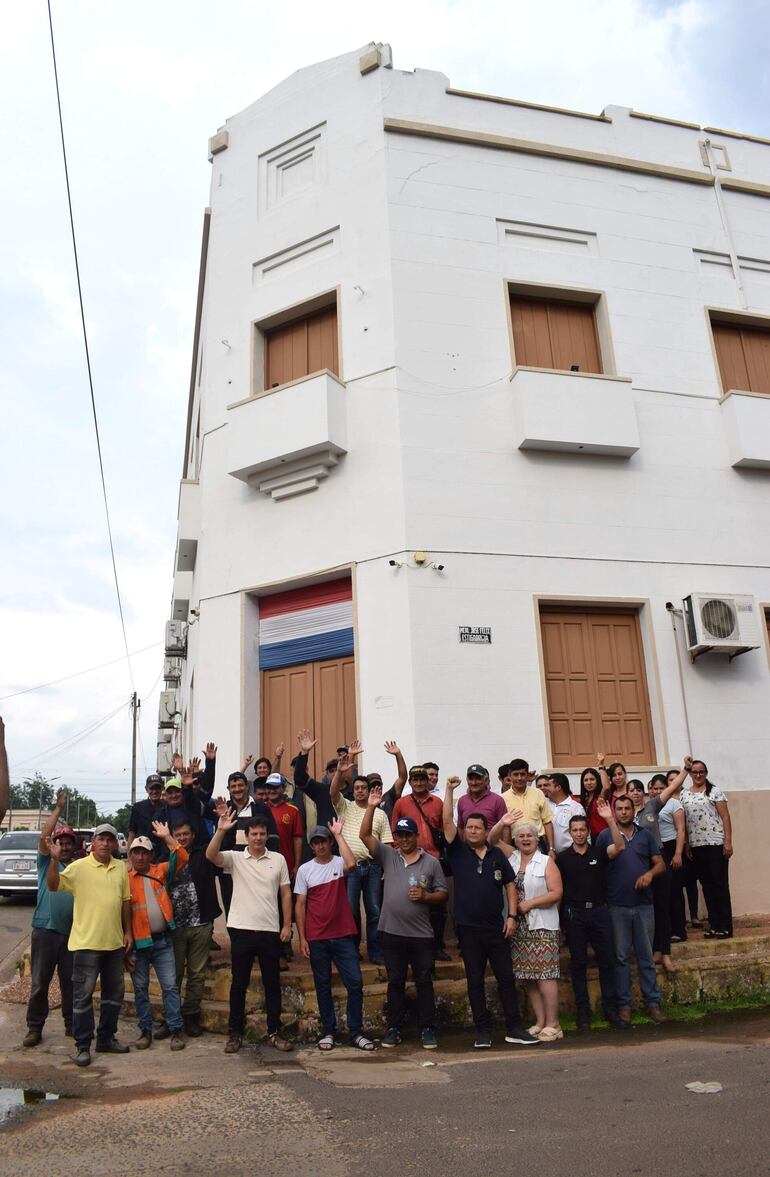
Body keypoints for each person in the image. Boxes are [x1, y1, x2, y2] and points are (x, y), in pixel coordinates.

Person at [442, 778, 539, 1048]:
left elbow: (509, 884)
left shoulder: (497, 854)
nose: (472, 831)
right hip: (468, 930)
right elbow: (447, 823)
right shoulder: (458, 852)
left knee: (506, 979)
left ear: (486, 831)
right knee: (475, 981)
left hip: (497, 928)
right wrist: (449, 791)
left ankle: (514, 1028)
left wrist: (511, 917)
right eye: (469, 827)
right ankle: (482, 1032)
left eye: (477, 827)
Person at [360, 785, 447, 1049]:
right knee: (395, 982)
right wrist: (373, 806)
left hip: (421, 935)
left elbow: (442, 893)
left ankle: (428, 1028)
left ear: (417, 835)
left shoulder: (432, 863)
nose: (405, 839)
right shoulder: (389, 856)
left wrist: (426, 897)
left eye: (409, 834)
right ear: (396, 837)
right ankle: (394, 1028)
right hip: (392, 932)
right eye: (401, 835)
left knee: (424, 982)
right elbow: (364, 835)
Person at [206, 809, 293, 1052]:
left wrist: (286, 925)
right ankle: (235, 1034)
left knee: (272, 984)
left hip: (269, 930)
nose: (258, 838)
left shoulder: (278, 860)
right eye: (254, 834)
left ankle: (274, 1032)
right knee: (238, 984)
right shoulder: (235, 858)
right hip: (241, 929)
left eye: (262, 834)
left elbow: (286, 893)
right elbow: (210, 855)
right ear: (247, 836)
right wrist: (221, 830)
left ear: (267, 836)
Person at [46, 823, 132, 1068]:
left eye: (110, 840)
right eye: (101, 839)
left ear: (115, 844)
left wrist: (128, 931)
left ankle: (106, 1038)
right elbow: (53, 885)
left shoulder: (120, 869)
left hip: (114, 943)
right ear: (92, 843)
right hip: (86, 944)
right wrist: (53, 861)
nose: (105, 844)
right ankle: (83, 1045)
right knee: (82, 997)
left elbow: (125, 901)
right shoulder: (79, 867)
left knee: (113, 995)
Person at [294, 821, 374, 1051]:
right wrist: (303, 938)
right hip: (317, 936)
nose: (320, 846)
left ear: (330, 843)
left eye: (324, 841)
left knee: (355, 983)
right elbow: (300, 905)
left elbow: (352, 863)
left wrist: (338, 834)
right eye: (316, 842)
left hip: (343, 934)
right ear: (311, 846)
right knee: (323, 985)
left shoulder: (339, 862)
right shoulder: (305, 870)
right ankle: (328, 1030)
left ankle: (356, 1032)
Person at [490, 817, 564, 1041]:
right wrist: (503, 822)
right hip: (518, 928)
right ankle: (540, 1021)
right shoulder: (511, 858)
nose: (525, 839)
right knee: (528, 977)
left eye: (529, 835)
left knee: (546, 976)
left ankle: (554, 1024)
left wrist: (529, 904)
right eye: (521, 835)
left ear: (537, 839)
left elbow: (556, 893)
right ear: (515, 839)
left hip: (542, 926)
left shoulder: (546, 862)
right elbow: (491, 840)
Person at [555, 802, 625, 1030]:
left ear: (588, 832)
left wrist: (609, 820)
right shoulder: (563, 858)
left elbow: (620, 847)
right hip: (574, 915)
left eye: (582, 830)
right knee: (579, 964)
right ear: (570, 833)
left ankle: (610, 1009)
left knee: (607, 960)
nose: (578, 833)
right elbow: (558, 891)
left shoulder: (599, 852)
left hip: (598, 912)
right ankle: (583, 1012)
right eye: (574, 830)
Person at [596, 794, 665, 1025]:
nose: (624, 811)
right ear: (615, 811)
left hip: (644, 905)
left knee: (646, 957)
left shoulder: (645, 835)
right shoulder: (605, 836)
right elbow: (602, 863)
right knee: (621, 957)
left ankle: (653, 1003)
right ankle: (624, 1006)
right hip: (617, 906)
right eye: (620, 808)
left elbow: (661, 864)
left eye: (628, 808)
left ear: (634, 810)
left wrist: (649, 874)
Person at [127, 824, 187, 1051]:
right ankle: (145, 1030)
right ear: (130, 855)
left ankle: (175, 1030)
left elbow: (181, 857)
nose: (140, 856)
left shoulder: (160, 871)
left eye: (144, 852)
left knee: (170, 987)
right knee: (140, 989)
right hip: (139, 944)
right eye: (136, 852)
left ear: (151, 855)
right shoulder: (125, 880)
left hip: (163, 941)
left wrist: (167, 837)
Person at [330, 751, 394, 964]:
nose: (359, 791)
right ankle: (352, 950)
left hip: (374, 868)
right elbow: (332, 793)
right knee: (351, 911)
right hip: (351, 868)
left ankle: (376, 952)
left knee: (375, 910)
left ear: (369, 791)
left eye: (363, 788)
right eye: (356, 788)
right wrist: (340, 772)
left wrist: (387, 869)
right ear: (352, 790)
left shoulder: (380, 813)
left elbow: (386, 844)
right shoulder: (344, 806)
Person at [24, 788, 76, 1047]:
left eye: (68, 843)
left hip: (70, 935)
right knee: (39, 984)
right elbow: (44, 835)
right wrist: (58, 809)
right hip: (44, 931)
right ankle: (35, 1027)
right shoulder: (46, 863)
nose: (64, 846)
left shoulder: (78, 869)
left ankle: (71, 1025)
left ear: (74, 846)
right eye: (60, 842)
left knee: (70, 983)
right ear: (54, 845)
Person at [391, 764, 449, 960]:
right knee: (414, 903)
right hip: (409, 860)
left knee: (438, 906)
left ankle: (438, 946)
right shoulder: (401, 803)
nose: (418, 783)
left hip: (433, 858)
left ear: (428, 781)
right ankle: (414, 948)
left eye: (422, 779)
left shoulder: (438, 803)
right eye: (415, 779)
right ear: (410, 782)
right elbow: (394, 832)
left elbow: (444, 828)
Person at [169, 819, 221, 1036]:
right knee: (173, 976)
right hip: (175, 927)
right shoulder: (167, 857)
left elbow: (217, 846)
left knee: (197, 974)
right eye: (178, 834)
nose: (182, 838)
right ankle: (172, 1017)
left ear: (193, 834)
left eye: (185, 834)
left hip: (201, 924)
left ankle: (191, 1016)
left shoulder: (204, 854)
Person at [630, 774, 683, 973]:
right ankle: (655, 950)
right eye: (631, 790)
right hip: (638, 865)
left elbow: (672, 788)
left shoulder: (651, 806)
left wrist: (685, 769)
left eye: (638, 790)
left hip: (658, 862)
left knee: (662, 908)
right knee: (646, 911)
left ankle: (666, 953)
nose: (635, 793)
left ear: (643, 792)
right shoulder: (624, 814)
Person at [677, 757, 733, 938]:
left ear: (706, 773)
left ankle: (726, 926)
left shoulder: (714, 791)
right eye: (695, 772)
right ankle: (714, 925)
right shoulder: (684, 794)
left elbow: (725, 817)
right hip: (696, 845)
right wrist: (686, 845)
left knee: (719, 885)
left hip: (716, 844)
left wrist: (728, 841)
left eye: (701, 772)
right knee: (706, 887)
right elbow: (684, 821)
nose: (698, 775)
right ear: (691, 774)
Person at [217, 769, 279, 918]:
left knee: (258, 908)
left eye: (240, 785)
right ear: (228, 789)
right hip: (230, 870)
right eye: (233, 786)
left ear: (247, 786)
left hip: (257, 869)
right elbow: (220, 844)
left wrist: (270, 865)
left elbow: (273, 838)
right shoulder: (223, 811)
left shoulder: (261, 808)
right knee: (232, 910)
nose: (237, 789)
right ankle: (236, 940)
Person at [502, 759, 554, 851]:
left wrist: (551, 848)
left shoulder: (538, 793)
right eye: (516, 774)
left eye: (522, 774)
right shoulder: (502, 798)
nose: (519, 778)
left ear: (527, 775)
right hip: (514, 845)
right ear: (510, 776)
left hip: (538, 844)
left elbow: (547, 822)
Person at [456, 765, 507, 838]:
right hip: (467, 848)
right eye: (471, 779)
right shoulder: (462, 801)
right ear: (467, 780)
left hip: (491, 848)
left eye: (478, 779)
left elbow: (505, 828)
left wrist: (505, 848)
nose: (474, 783)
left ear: (486, 780)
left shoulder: (497, 800)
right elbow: (460, 827)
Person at [541, 773, 585, 854]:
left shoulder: (576, 807)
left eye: (548, 785)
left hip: (570, 856)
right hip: (547, 855)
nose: (545, 788)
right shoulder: (544, 804)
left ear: (558, 788)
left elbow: (584, 833)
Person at [128, 774, 165, 857]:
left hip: (162, 857)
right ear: (146, 789)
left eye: (157, 788)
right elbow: (132, 834)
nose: (154, 791)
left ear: (162, 788)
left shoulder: (167, 807)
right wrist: (130, 859)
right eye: (151, 788)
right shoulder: (137, 808)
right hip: (141, 855)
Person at [580, 760, 609, 839]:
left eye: (592, 779)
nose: (589, 783)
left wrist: (601, 766)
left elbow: (606, 787)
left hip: (603, 836)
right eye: (586, 780)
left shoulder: (600, 798)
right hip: (588, 838)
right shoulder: (583, 801)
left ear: (597, 781)